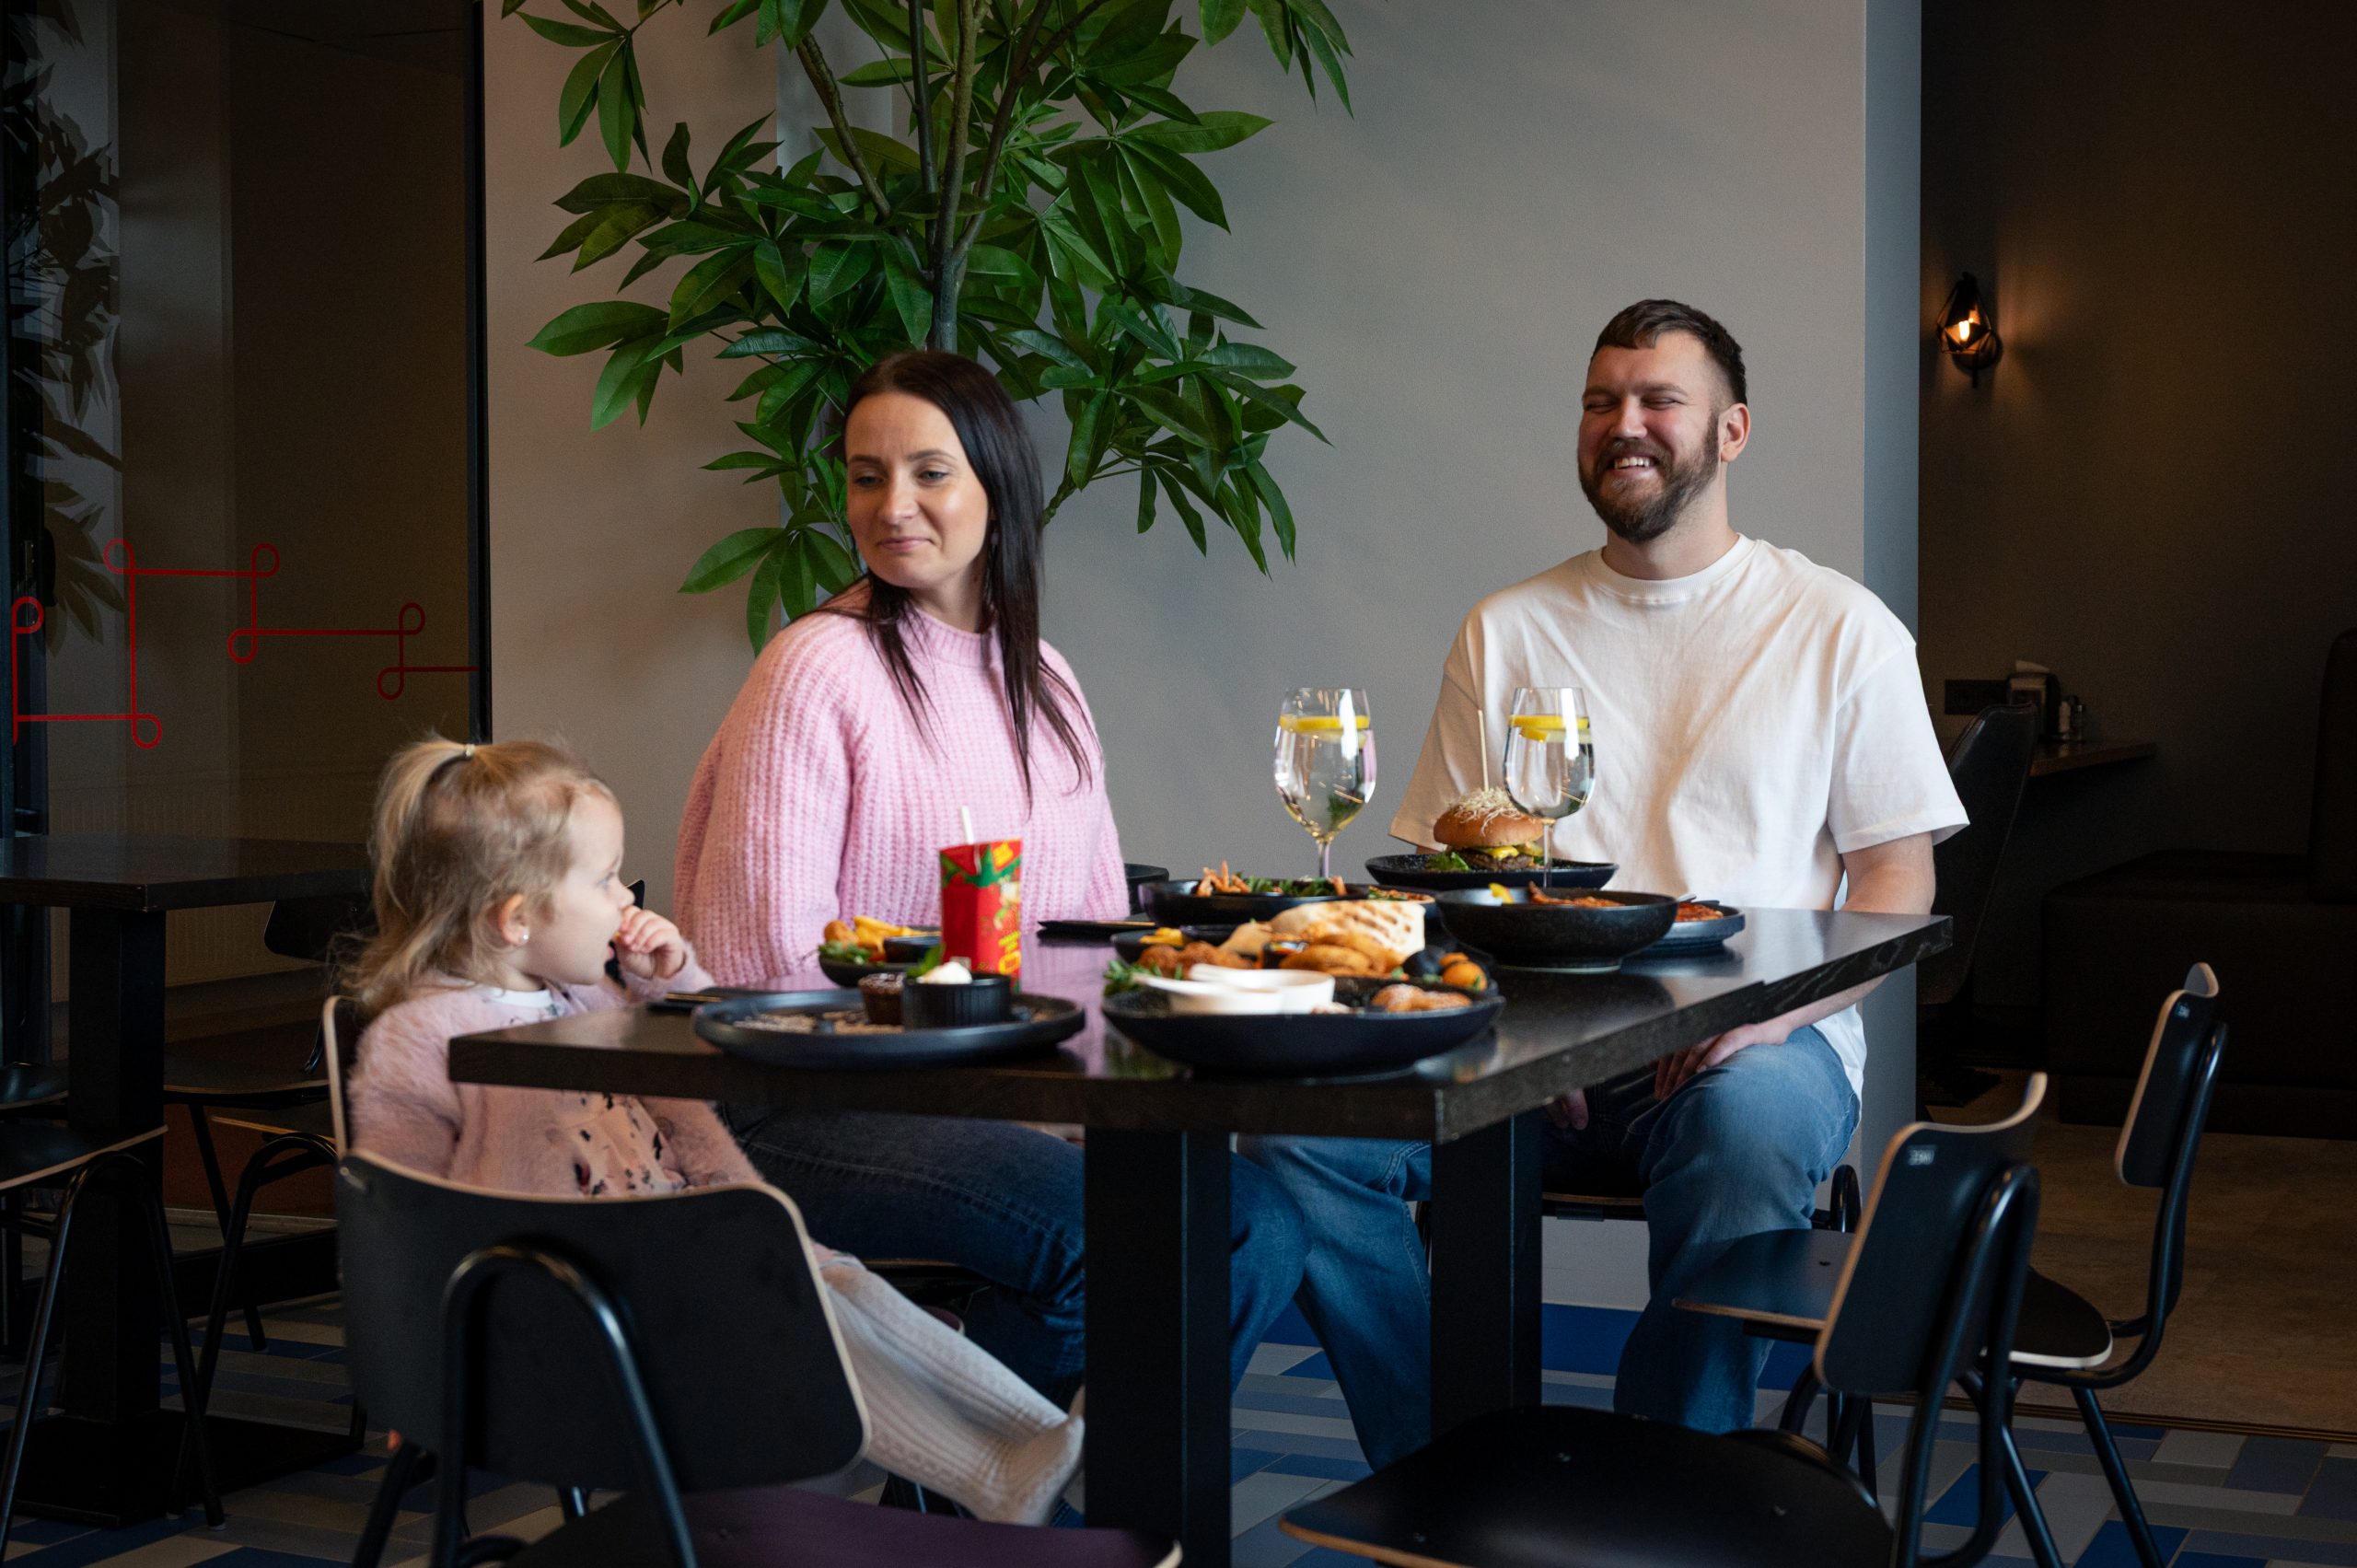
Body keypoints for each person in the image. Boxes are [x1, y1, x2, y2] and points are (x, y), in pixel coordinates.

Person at [1242, 299, 1967, 1466]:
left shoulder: (1838, 626)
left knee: (1744, 1130)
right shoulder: (1508, 627)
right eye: (1599, 402)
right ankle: (1452, 1462)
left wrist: (1769, 1014)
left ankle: (1659, 1491)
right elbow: (1449, 874)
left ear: (1731, 431)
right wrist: (1521, 1028)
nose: (1623, 424)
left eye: (1657, 400)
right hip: (1528, 1048)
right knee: (1301, 1140)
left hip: (1755, 1044)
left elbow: (1897, 876)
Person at [674, 350, 1306, 1401]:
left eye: (930, 472)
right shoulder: (815, 666)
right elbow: (763, 975)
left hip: (1001, 1099)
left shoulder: (1045, 679)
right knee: (1105, 1236)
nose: (892, 505)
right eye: (866, 475)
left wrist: (1082, 1098)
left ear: (997, 489)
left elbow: (1093, 943)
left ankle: (1074, 1482)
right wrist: (997, 1100)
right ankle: (997, 1481)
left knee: (1260, 1225)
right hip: (801, 1107)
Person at [344, 737, 1085, 1524]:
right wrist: (413, 1364)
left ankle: (1043, 1443)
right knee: (807, 1310)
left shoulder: (584, 996)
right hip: (579, 1305)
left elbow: (702, 1060)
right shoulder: (422, 1035)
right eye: (604, 879)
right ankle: (998, 1477)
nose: (625, 901)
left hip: (675, 1257)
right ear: (517, 918)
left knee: (843, 1282)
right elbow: (397, 1221)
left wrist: (670, 980)